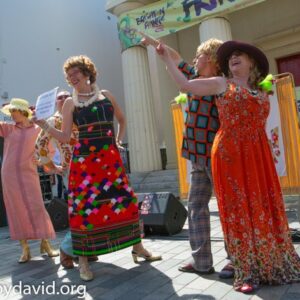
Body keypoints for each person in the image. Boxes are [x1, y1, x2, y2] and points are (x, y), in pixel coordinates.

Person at [155, 40, 300, 293]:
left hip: (258, 154)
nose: (234, 58)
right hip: (228, 154)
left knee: (261, 206)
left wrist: (266, 87)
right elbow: (185, 84)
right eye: (230, 56)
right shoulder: (222, 84)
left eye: (239, 55)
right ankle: (244, 268)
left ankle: (269, 260)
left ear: (251, 62)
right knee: (236, 211)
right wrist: (165, 57)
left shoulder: (260, 87)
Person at [34, 55, 162, 281]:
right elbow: (64, 137)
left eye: (76, 73)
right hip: (85, 164)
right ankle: (82, 260)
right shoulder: (70, 103)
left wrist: (119, 141)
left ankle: (137, 247)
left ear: (87, 73)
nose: (72, 78)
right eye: (69, 75)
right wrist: (43, 125)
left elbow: (122, 120)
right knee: (85, 210)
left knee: (125, 201)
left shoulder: (106, 95)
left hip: (110, 160)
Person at [142, 35, 233, 277]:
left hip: (215, 156)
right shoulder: (196, 76)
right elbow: (176, 56)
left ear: (212, 59)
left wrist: (164, 60)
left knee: (226, 208)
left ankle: (235, 259)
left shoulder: (217, 82)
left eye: (200, 54)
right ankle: (202, 261)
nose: (195, 58)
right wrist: (155, 44)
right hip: (197, 157)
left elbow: (181, 81)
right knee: (195, 208)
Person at [36, 90, 98, 269]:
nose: (63, 99)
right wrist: (52, 167)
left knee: (91, 210)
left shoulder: (78, 113)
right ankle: (66, 250)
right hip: (72, 171)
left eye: (65, 96)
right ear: (55, 102)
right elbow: (39, 146)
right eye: (59, 97)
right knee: (81, 211)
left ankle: (84, 250)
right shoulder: (54, 120)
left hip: (91, 169)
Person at [0, 98, 59, 263]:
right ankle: (24, 248)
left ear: (23, 112)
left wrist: (41, 161)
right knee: (16, 209)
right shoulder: (8, 128)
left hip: (28, 173)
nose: (11, 115)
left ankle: (45, 243)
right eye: (10, 111)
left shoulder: (37, 130)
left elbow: (49, 149)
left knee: (37, 206)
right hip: (9, 175)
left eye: (14, 111)